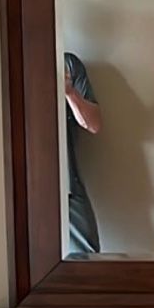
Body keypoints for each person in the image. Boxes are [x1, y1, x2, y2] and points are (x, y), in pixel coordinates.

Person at [64, 51, 102, 254]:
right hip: (17, 187)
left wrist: (69, 92)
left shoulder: (68, 64)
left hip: (67, 184)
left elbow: (94, 124)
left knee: (87, 257)